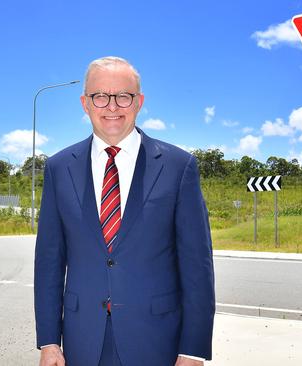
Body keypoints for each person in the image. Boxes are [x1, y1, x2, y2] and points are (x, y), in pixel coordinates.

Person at [34, 56, 215, 366]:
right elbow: (49, 263)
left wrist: (193, 350)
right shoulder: (58, 168)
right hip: (82, 342)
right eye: (100, 96)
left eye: (123, 96)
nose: (112, 106)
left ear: (139, 101)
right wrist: (49, 342)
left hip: (157, 342)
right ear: (85, 103)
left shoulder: (178, 167)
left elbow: (197, 267)